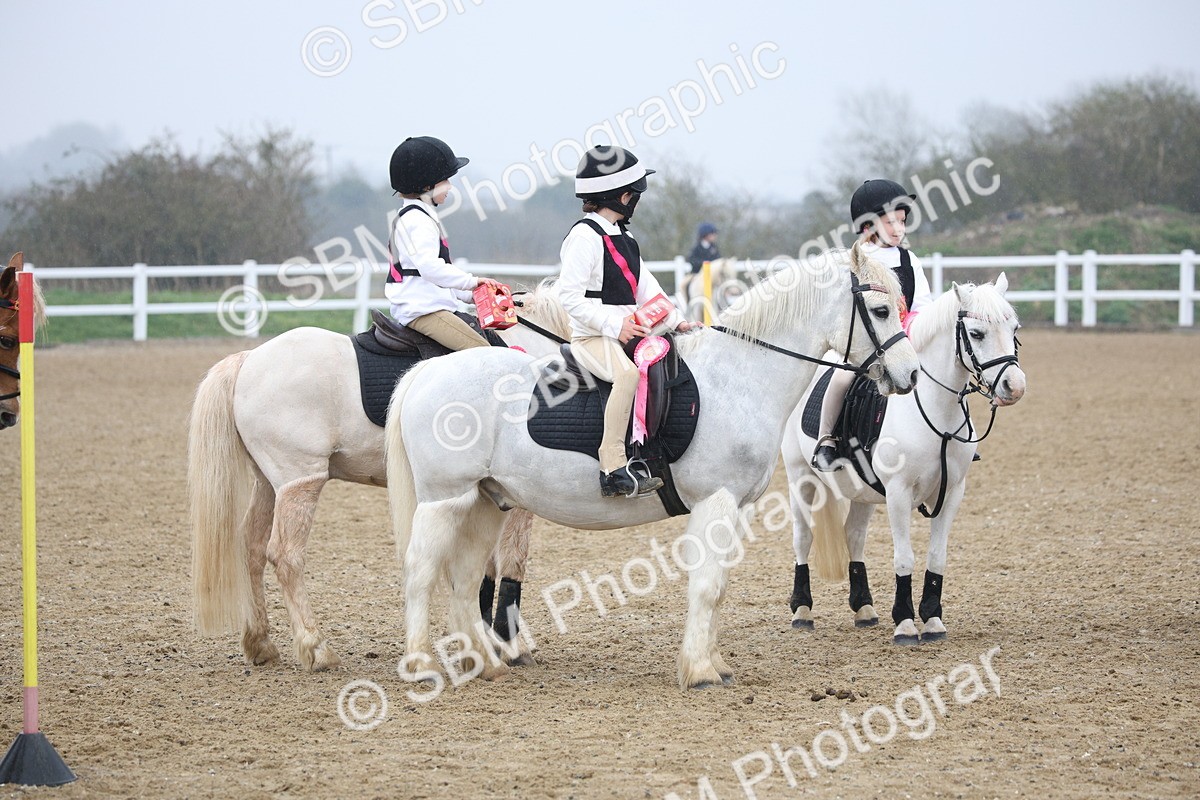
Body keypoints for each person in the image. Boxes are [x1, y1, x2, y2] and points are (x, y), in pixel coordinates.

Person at [559, 146, 698, 498]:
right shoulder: (584, 237)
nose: (635, 200)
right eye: (633, 194)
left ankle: (649, 451)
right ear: (622, 196)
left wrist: (678, 321)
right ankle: (612, 468)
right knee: (627, 375)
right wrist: (613, 326)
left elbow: (649, 290)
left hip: (627, 331)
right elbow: (568, 297)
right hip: (592, 338)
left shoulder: (626, 237)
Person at [812, 179, 933, 472]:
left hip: (904, 337)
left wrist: (911, 330)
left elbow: (922, 305)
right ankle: (826, 439)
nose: (898, 229)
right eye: (890, 222)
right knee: (842, 377)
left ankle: (951, 440)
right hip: (866, 342)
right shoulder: (859, 259)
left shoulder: (910, 259)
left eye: (902, 222)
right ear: (868, 223)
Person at [385, 135, 504, 351]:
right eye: (445, 181)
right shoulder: (419, 220)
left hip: (426, 306)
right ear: (426, 184)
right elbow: (431, 269)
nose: (449, 187)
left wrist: (471, 296)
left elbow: (431, 277)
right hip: (425, 312)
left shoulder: (414, 216)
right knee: (484, 354)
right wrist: (472, 282)